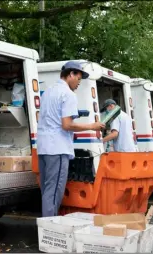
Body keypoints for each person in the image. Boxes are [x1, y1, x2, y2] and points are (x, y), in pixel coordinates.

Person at [37, 61, 105, 217]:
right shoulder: (68, 94)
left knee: (47, 190)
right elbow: (67, 124)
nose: (79, 83)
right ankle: (49, 229)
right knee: (54, 191)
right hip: (58, 148)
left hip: (43, 147)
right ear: (71, 74)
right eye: (79, 78)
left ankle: (47, 226)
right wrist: (92, 126)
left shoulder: (47, 92)